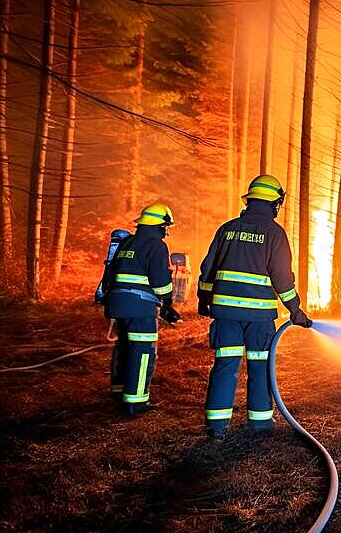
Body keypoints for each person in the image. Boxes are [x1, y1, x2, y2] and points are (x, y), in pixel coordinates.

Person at [198, 174, 313, 438]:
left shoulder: (227, 229)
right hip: (259, 317)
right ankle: (260, 424)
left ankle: (217, 427)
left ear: (250, 201)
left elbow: (208, 270)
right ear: (274, 203)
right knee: (260, 366)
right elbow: (282, 278)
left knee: (225, 365)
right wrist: (295, 311)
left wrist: (205, 301)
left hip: (225, 313)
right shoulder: (274, 233)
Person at [104, 203, 181, 416]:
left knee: (124, 347)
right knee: (143, 351)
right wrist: (168, 303)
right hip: (140, 307)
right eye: (166, 226)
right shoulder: (155, 245)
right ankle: (136, 402)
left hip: (118, 305)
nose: (167, 230)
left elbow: (111, 275)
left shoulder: (127, 242)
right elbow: (160, 284)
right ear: (159, 225)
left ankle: (119, 391)